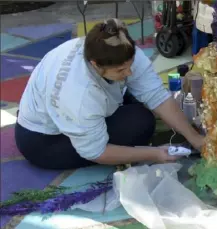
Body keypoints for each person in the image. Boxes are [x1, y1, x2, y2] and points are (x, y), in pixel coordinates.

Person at [15, 18, 204, 170]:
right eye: (121, 70)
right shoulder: (78, 94)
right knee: (140, 123)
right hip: (43, 141)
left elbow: (156, 95)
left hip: (70, 111)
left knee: (137, 94)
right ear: (96, 64)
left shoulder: (117, 49)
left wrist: (194, 138)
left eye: (129, 65)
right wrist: (154, 153)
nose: (128, 72)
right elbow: (96, 152)